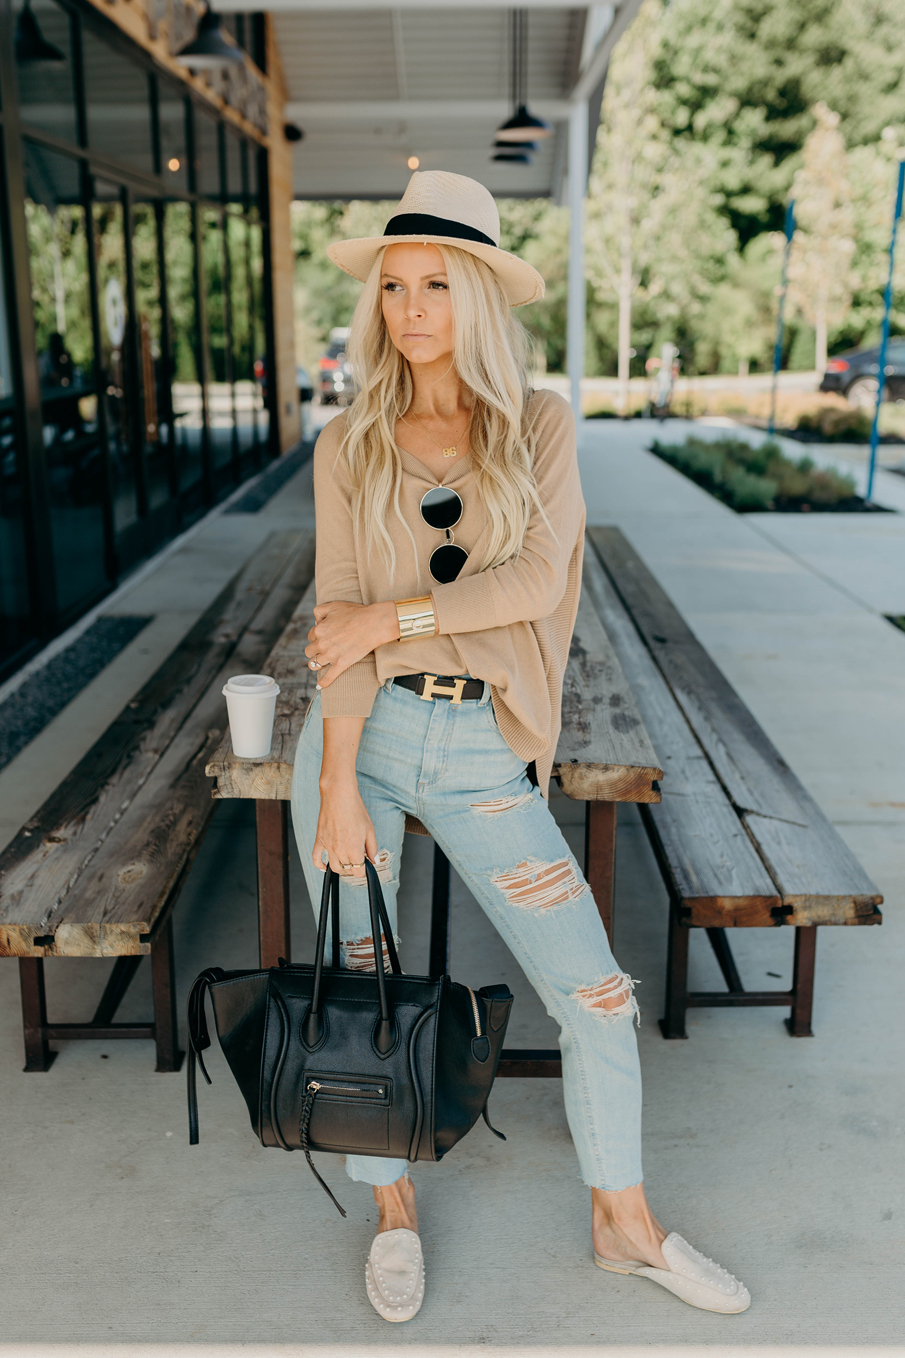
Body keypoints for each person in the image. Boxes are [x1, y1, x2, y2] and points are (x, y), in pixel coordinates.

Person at [291, 171, 750, 1323]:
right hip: (363, 738)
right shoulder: (347, 443)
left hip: (475, 744)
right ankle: (390, 1207)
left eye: (436, 284)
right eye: (394, 286)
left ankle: (624, 1223)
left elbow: (536, 580)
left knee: (592, 991)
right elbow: (331, 618)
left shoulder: (535, 422)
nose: (410, 307)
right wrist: (340, 780)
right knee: (364, 990)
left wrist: (393, 620)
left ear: (483, 294)